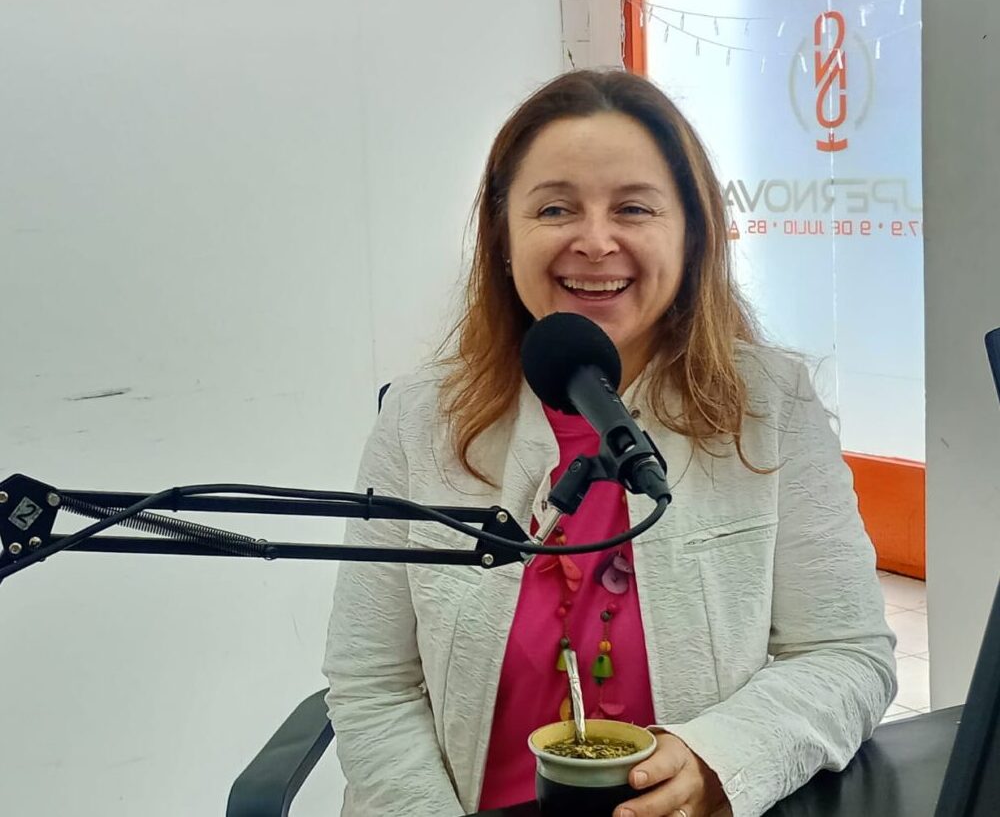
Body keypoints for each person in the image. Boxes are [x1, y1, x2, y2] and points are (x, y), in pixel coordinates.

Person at [323, 69, 896, 817]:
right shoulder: (419, 417)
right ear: (503, 237)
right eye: (555, 208)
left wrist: (719, 761)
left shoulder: (771, 405)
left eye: (633, 207)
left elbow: (846, 654)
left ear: (691, 235)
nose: (595, 241)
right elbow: (373, 682)